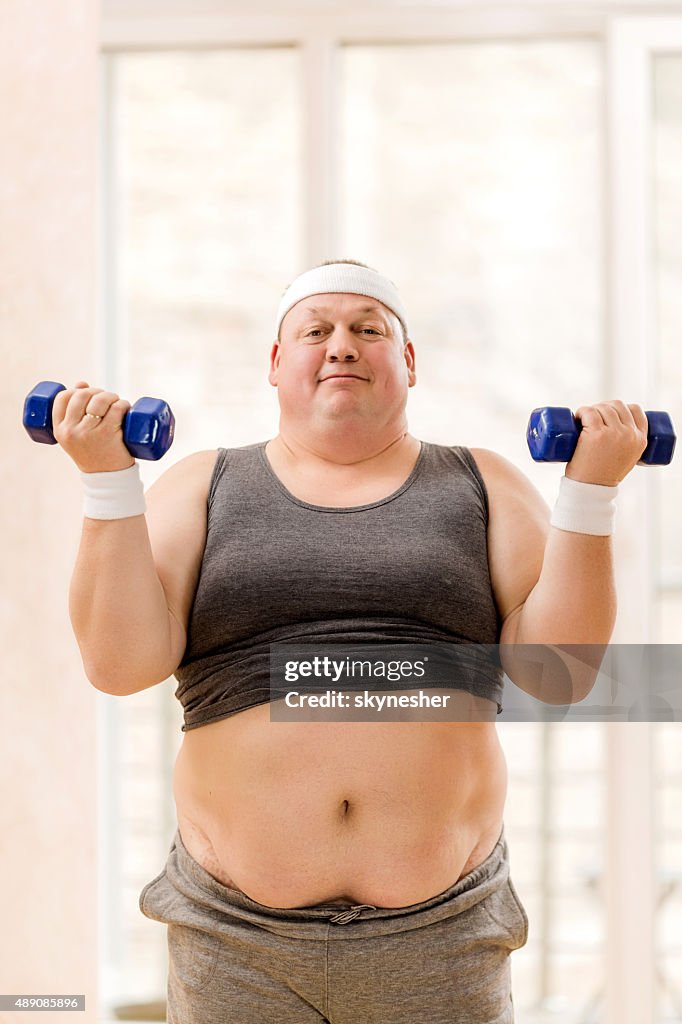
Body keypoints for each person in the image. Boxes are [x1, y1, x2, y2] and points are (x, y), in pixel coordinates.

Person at [54, 259, 649, 1024]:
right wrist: (108, 482)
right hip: (238, 938)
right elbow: (118, 663)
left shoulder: (483, 483)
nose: (342, 346)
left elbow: (557, 672)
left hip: (441, 936)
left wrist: (590, 493)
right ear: (276, 363)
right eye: (316, 331)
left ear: (407, 363)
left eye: (369, 330)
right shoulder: (204, 484)